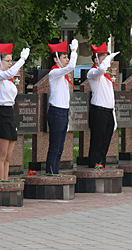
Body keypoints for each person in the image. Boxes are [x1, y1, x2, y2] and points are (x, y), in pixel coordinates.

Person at [0, 43, 30, 180]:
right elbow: (9, 73)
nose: (10, 63)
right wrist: (22, 60)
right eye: (8, 61)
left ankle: (6, 183)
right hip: (0, 113)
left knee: (8, 156)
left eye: (11, 61)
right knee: (1, 155)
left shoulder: (8, 78)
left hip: (9, 112)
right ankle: (0, 184)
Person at [46, 39, 78, 174]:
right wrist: (74, 51)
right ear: (56, 59)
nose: (67, 59)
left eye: (68, 56)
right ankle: (51, 173)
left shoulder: (62, 74)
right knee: (54, 147)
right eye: (64, 57)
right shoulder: (54, 73)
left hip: (63, 112)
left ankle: (55, 172)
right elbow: (71, 67)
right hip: (56, 112)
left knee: (60, 148)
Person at [87, 42, 119, 168]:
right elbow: (100, 69)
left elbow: (111, 97)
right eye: (104, 58)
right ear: (96, 60)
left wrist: (114, 115)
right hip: (99, 111)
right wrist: (107, 60)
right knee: (97, 141)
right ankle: (94, 165)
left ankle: (101, 165)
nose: (108, 62)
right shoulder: (93, 73)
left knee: (106, 141)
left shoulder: (106, 76)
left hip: (108, 111)